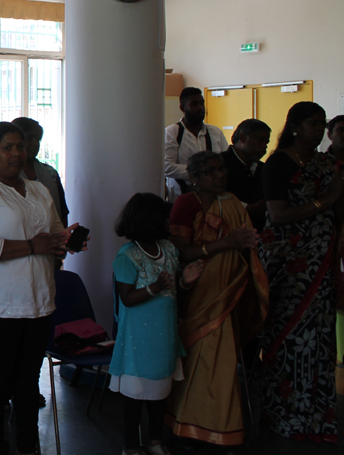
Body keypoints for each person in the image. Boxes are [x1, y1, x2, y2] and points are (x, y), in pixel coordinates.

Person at [0, 121, 83, 455]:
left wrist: (65, 241)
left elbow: (54, 232)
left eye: (20, 146)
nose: (17, 153)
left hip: (38, 297)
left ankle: (29, 445)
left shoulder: (39, 189)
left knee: (29, 380)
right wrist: (32, 246)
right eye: (7, 147)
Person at [165, 151, 269, 447]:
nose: (219, 175)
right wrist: (226, 243)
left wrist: (247, 244)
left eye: (221, 170)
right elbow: (181, 252)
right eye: (210, 172)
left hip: (228, 292)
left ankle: (222, 426)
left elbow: (245, 245)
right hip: (199, 291)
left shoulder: (232, 202)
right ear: (193, 178)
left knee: (223, 362)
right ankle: (187, 421)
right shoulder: (186, 204)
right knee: (199, 357)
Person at [259, 101, 343, 441]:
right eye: (313, 123)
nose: (320, 130)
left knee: (320, 338)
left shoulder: (326, 164)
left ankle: (316, 416)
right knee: (290, 336)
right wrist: (326, 201)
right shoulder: (278, 163)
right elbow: (278, 215)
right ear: (294, 127)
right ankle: (285, 414)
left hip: (322, 261)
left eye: (322, 124)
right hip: (289, 264)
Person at [109, 193, 204, 455]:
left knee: (160, 393)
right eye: (164, 218)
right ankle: (131, 445)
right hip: (138, 340)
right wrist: (155, 287)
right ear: (149, 220)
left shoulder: (169, 250)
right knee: (135, 397)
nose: (169, 223)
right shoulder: (128, 256)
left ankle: (155, 440)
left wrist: (185, 281)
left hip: (164, 335)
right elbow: (127, 298)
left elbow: (174, 289)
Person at [164, 87, 228, 202]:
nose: (200, 108)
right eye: (194, 104)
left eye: (202, 103)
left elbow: (226, 161)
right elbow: (167, 167)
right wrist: (201, 172)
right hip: (181, 198)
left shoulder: (215, 132)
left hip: (213, 198)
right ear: (183, 108)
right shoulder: (172, 132)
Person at [11, 117, 68, 224]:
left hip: (53, 233)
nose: (35, 143)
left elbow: (62, 211)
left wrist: (63, 233)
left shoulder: (51, 173)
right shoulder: (5, 175)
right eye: (29, 138)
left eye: (37, 139)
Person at [221, 118, 271, 231]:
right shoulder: (219, 164)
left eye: (267, 142)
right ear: (243, 137)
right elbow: (212, 196)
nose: (265, 146)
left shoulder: (263, 168)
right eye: (260, 140)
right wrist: (246, 207)